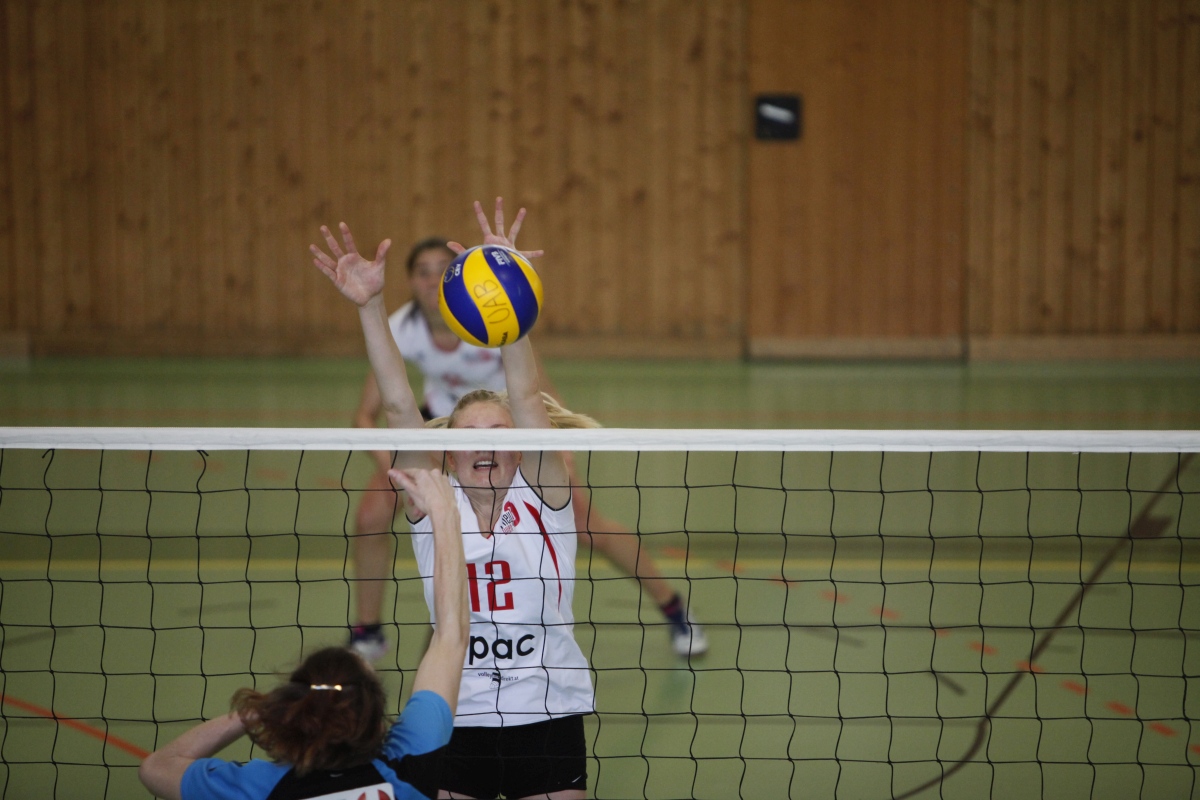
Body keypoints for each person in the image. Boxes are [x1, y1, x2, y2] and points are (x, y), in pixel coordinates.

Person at [312, 200, 598, 799]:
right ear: (446, 451)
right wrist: (369, 306)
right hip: (453, 715)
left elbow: (527, 395)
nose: (486, 446)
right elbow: (398, 406)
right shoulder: (432, 502)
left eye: (500, 435)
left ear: (520, 447)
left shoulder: (546, 499)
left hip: (547, 713)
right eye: (469, 436)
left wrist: (509, 292)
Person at [346, 230, 706, 663]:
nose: (431, 279)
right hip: (444, 435)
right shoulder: (402, 327)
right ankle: (368, 631)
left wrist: (557, 450)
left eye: (441, 270)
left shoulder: (490, 313)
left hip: (511, 433)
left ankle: (672, 606)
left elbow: (536, 394)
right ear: (410, 282)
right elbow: (378, 410)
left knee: (582, 522)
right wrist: (396, 469)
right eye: (422, 272)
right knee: (371, 514)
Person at [138, 468, 469, 800]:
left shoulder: (261, 788)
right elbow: (451, 636)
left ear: (293, 715)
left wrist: (258, 711)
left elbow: (156, 768)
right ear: (377, 723)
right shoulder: (408, 762)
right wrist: (444, 514)